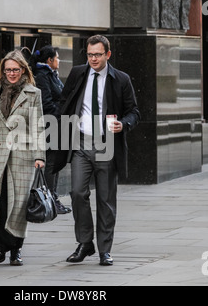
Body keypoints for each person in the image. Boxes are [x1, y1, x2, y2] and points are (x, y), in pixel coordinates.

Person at [54, 35, 140, 266]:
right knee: (77, 193)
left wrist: (124, 124)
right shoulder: (77, 73)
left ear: (108, 55)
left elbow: (134, 112)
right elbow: (65, 102)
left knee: (106, 199)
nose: (93, 59)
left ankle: (104, 249)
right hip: (81, 143)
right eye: (90, 54)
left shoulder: (121, 79)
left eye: (98, 55)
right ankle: (85, 242)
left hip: (107, 144)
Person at [0, 50, 45, 266]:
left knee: (18, 203)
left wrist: (40, 156)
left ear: (23, 70)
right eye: (7, 70)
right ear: (2, 70)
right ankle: (0, 246)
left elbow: (38, 126)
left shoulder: (33, 93)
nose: (11, 73)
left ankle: (16, 250)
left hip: (22, 154)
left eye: (15, 69)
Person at [30, 45, 71, 214]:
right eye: (57, 57)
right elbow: (45, 103)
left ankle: (53, 198)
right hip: (49, 125)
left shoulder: (50, 75)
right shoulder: (42, 76)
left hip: (57, 124)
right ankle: (49, 199)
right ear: (49, 60)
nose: (59, 60)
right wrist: (62, 112)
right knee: (50, 164)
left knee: (55, 163)